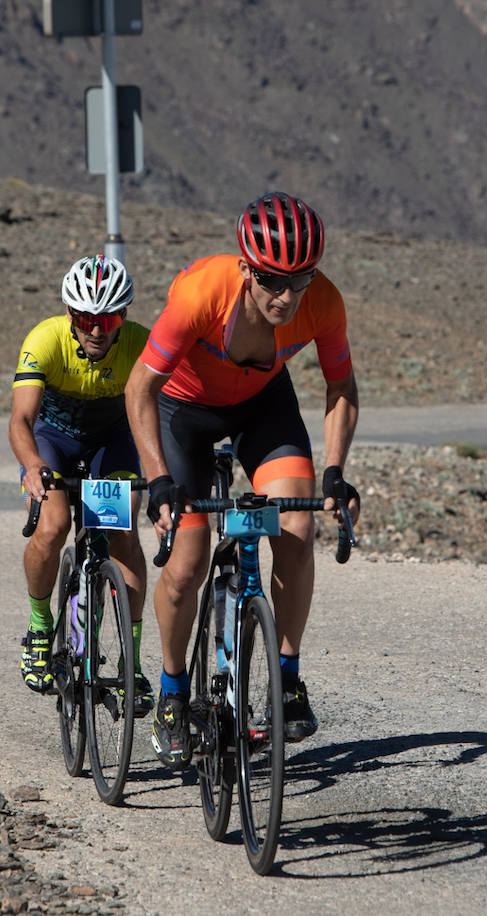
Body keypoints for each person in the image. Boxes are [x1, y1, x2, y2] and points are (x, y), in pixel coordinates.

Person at [125, 191, 360, 770]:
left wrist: (334, 471)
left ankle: (287, 675)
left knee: (298, 527)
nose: (286, 297)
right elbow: (140, 389)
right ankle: (174, 692)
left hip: (262, 407)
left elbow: (342, 388)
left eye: (298, 281)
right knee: (186, 565)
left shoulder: (323, 301)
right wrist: (157, 482)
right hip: (185, 413)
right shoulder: (201, 293)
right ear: (248, 268)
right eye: (274, 281)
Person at [9, 254, 154, 714]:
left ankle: (130, 661)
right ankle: (38, 626)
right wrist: (32, 466)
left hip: (111, 443)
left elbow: (165, 414)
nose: (96, 329)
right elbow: (21, 419)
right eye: (86, 318)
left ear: (123, 317)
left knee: (122, 536)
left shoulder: (140, 344)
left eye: (107, 319)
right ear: (70, 314)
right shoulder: (44, 339)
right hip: (53, 442)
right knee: (52, 526)